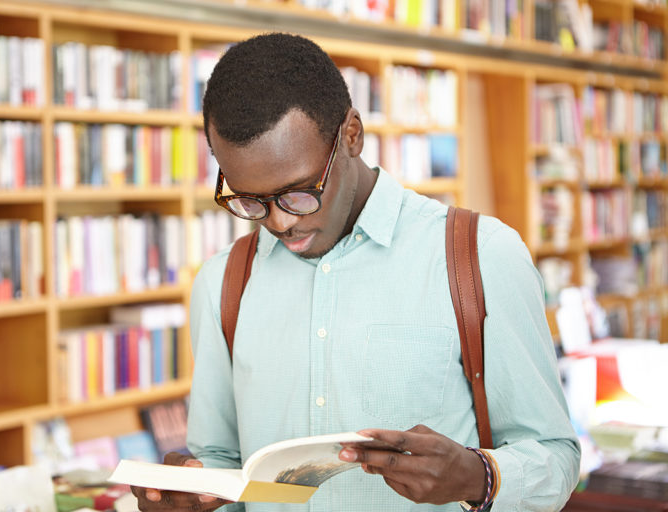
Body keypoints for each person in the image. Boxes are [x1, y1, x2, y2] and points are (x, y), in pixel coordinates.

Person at [131, 32, 580, 511]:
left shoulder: (481, 257)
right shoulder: (223, 283)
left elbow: (556, 457)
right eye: (249, 200)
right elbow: (221, 461)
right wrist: (191, 494)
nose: (280, 222)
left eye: (299, 191)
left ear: (351, 135)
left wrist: (478, 477)